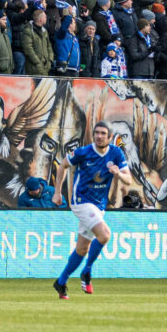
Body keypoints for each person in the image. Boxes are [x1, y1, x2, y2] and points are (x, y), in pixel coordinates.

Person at [53, 119, 129, 298]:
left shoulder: (116, 153)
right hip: (81, 201)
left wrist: (118, 173)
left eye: (103, 134)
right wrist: (57, 192)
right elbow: (63, 165)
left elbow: (128, 179)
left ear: (110, 137)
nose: (99, 136)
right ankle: (87, 271)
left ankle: (61, 282)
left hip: (98, 205)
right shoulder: (83, 152)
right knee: (105, 235)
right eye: (97, 133)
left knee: (82, 249)